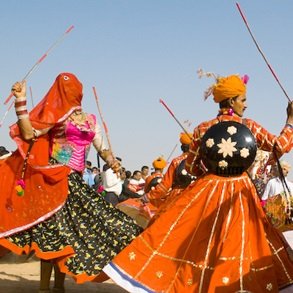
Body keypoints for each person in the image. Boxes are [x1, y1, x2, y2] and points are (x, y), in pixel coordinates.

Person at [103, 73, 293, 292]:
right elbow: (280, 147)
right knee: (241, 242)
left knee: (200, 246)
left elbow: (192, 167)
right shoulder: (249, 126)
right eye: (243, 99)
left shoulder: (202, 129)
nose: (246, 105)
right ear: (231, 101)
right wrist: (290, 120)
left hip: (207, 192)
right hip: (240, 194)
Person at [0, 73, 142, 292]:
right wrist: (20, 101)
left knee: (94, 228)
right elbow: (28, 134)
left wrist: (113, 162)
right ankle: (45, 288)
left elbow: (101, 147)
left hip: (75, 183)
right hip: (53, 181)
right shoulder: (55, 117)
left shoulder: (90, 120)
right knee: (51, 235)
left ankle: (58, 287)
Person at [147, 132, 194, 219]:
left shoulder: (176, 161)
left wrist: (147, 197)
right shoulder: (200, 161)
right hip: (195, 197)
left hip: (176, 198)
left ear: (182, 147)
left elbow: (164, 186)